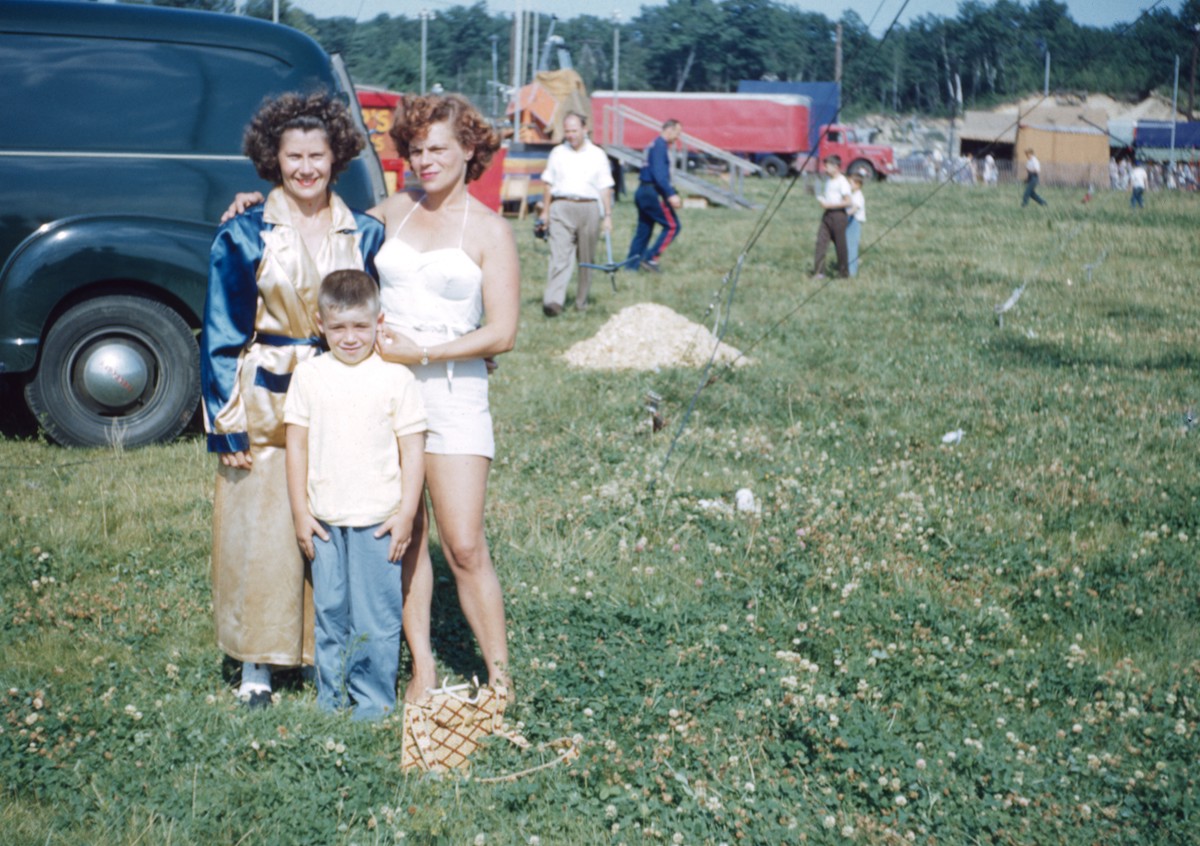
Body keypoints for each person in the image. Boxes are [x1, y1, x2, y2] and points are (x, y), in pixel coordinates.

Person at [223, 93, 519, 703]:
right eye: (415, 150)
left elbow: (505, 332)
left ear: (470, 150)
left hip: (454, 395)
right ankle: (424, 669)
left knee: (463, 543)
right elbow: (317, 223)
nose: (425, 160)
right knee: (400, 537)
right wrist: (254, 207)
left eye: (439, 148)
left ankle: (499, 676)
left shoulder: (491, 229)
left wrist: (435, 352)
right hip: (380, 393)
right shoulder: (389, 213)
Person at [201, 92, 386, 708]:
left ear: (337, 157)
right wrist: (226, 428)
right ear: (272, 160)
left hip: (345, 391)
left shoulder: (366, 232)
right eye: (293, 156)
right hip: (267, 398)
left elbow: (392, 311)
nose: (305, 168)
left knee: (333, 521)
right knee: (262, 528)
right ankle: (256, 661)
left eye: (318, 155)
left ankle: (319, 652)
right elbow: (222, 334)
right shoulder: (244, 232)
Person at [284, 269, 426, 720]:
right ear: (320, 323)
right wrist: (300, 513)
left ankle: (373, 704)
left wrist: (406, 514)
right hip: (324, 520)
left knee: (377, 618)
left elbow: (413, 452)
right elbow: (296, 446)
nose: (350, 338)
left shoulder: (396, 380)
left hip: (378, 520)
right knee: (330, 613)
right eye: (339, 327)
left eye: (361, 327)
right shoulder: (308, 376)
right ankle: (332, 700)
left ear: (378, 321)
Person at [540, 111, 614, 316]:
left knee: (586, 257)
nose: (570, 135)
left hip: (589, 208)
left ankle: (581, 302)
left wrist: (607, 216)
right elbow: (548, 184)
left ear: (584, 129)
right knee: (559, 255)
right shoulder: (557, 153)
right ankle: (553, 301)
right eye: (567, 131)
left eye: (574, 131)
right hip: (561, 207)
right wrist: (545, 212)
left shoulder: (597, 155)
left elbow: (605, 187)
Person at [624, 118, 683, 272]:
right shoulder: (660, 147)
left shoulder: (653, 144)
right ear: (669, 130)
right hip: (652, 193)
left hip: (642, 191)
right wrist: (670, 194)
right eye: (677, 133)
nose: (678, 137)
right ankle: (651, 258)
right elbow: (659, 174)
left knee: (644, 231)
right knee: (672, 226)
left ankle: (631, 267)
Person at [811, 155, 852, 279]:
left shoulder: (842, 182)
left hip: (839, 215)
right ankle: (819, 272)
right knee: (821, 242)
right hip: (827, 215)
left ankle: (843, 273)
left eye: (827, 166)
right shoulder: (829, 180)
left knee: (840, 245)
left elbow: (848, 201)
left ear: (836, 167)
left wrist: (829, 204)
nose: (825, 169)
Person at [846, 172, 866, 278]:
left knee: (852, 246)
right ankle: (848, 266)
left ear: (857, 184)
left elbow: (854, 209)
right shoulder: (852, 195)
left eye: (850, 183)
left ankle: (852, 271)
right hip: (849, 221)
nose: (848, 185)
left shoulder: (858, 196)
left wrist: (843, 214)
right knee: (847, 245)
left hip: (855, 222)